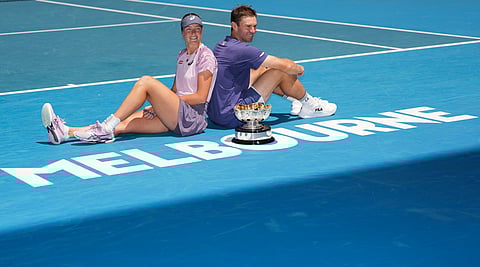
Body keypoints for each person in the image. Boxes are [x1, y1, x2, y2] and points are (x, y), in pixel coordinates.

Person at [42, 13, 217, 144]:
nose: (193, 34)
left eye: (197, 30)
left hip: (193, 118)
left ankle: (105, 127)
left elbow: (200, 97)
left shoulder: (205, 56)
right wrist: (158, 105)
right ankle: (64, 133)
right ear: (182, 33)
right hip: (176, 115)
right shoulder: (182, 55)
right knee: (122, 125)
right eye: (189, 30)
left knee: (146, 82)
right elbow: (174, 91)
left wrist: (160, 103)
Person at [207, 5, 337, 129]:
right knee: (279, 71)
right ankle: (310, 105)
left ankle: (295, 99)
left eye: (254, 26)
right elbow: (286, 66)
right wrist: (299, 69)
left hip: (216, 115)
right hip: (234, 116)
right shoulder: (242, 50)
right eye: (248, 27)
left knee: (262, 69)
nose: (253, 31)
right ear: (234, 26)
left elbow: (261, 69)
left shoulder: (222, 45)